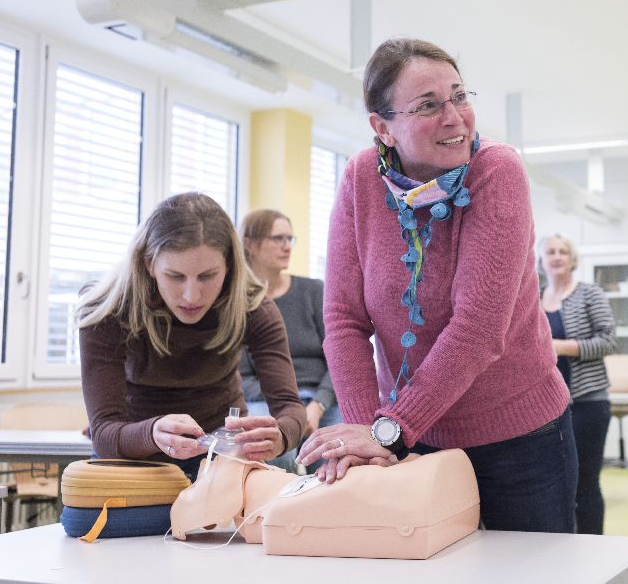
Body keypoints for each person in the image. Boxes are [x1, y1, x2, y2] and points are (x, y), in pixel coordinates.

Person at [297, 38, 577, 533]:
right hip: (412, 436)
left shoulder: (497, 170)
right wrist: (370, 432)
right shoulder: (362, 179)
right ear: (382, 127)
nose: (455, 118)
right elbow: (342, 321)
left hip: (520, 441)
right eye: (429, 105)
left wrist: (387, 431)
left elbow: (479, 327)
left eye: (460, 96)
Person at [76, 192, 305, 481]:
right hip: (132, 454)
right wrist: (151, 433)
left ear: (229, 266)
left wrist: (281, 435)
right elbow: (105, 432)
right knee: (85, 521)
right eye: (175, 276)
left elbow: (291, 409)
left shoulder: (254, 308)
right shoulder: (105, 310)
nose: (191, 295)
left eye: (208, 276)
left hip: (220, 456)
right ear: (149, 263)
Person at [237, 209, 341, 473]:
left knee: (339, 453)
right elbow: (239, 376)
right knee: (272, 451)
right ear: (249, 244)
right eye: (277, 239)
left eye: (290, 239)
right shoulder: (240, 303)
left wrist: (317, 405)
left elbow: (339, 357)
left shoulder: (313, 291)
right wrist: (291, 408)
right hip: (269, 399)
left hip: (321, 399)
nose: (287, 247)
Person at [539, 233, 616, 535]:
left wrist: (560, 346)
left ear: (572, 259)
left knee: (585, 482)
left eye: (563, 251)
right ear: (541, 260)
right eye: (551, 251)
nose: (557, 256)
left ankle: (593, 547)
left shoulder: (589, 294)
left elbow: (608, 341)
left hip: (588, 403)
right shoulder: (533, 298)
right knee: (555, 484)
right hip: (546, 407)